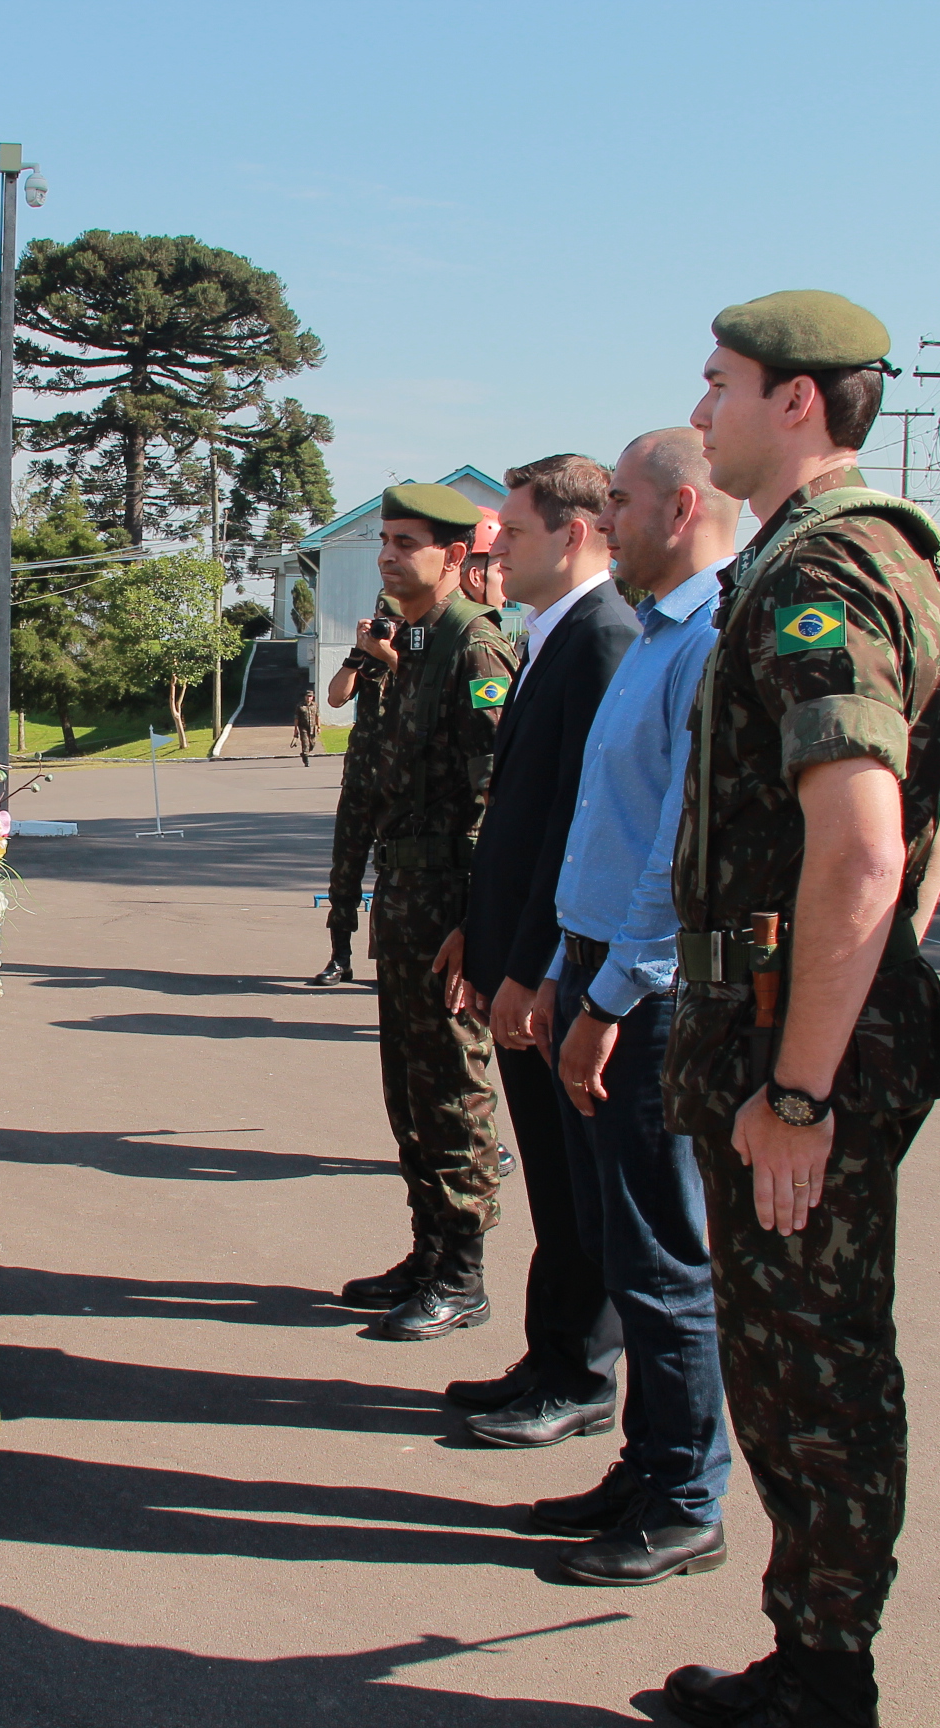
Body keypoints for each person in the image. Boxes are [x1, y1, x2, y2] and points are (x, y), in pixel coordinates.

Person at [658, 291, 940, 1728]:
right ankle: (813, 1656)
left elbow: (865, 844)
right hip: (807, 1015)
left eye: (721, 383)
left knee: (811, 1363)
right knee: (797, 1354)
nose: (703, 407)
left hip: (798, 1037)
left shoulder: (822, 574)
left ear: (797, 403)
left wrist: (800, 1088)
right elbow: (930, 821)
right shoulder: (868, 561)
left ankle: (828, 1676)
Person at [533, 428, 740, 1588]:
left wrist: (610, 993)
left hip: (639, 988)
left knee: (664, 1254)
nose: (607, 518)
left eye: (623, 499)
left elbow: (675, 848)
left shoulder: (709, 639)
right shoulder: (659, 635)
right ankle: (646, 1464)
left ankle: (685, 1494)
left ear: (685, 505)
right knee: (622, 1242)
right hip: (592, 962)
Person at [431, 456, 636, 1446]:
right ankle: (551, 1353)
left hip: (559, 970)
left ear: (574, 533)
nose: (495, 549)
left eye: (511, 533)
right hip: (520, 952)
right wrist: (484, 926)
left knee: (579, 1185)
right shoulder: (553, 635)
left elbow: (580, 828)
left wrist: (535, 965)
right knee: (555, 1185)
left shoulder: (603, 638)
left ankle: (584, 1373)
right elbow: (517, 814)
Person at [336, 483, 517, 1341]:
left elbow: (497, 801)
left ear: (453, 557)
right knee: (408, 1089)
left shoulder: (474, 650)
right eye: (384, 540)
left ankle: (464, 1273)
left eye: (406, 543)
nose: (387, 555)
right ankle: (427, 1249)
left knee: (453, 1090)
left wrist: (476, 924)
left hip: (449, 903)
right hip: (405, 897)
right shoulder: (412, 643)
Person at [309, 601, 399, 986]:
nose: (386, 625)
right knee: (344, 873)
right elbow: (334, 697)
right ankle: (339, 958)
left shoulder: (416, 655)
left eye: (392, 619)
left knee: (394, 876)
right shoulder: (369, 659)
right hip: (360, 781)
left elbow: (421, 688)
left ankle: (390, 960)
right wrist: (358, 654)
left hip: (399, 786)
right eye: (382, 617)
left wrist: (388, 651)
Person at [294, 684, 321, 765]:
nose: (308, 698)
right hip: (303, 727)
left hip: (312, 727)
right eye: (307, 696)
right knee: (305, 743)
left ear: (312, 697)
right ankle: (306, 759)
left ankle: (304, 753)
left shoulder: (315, 705)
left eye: (310, 696)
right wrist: (295, 729)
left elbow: (317, 716)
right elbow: (296, 718)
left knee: (312, 744)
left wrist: (319, 727)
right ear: (305, 697)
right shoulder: (300, 706)